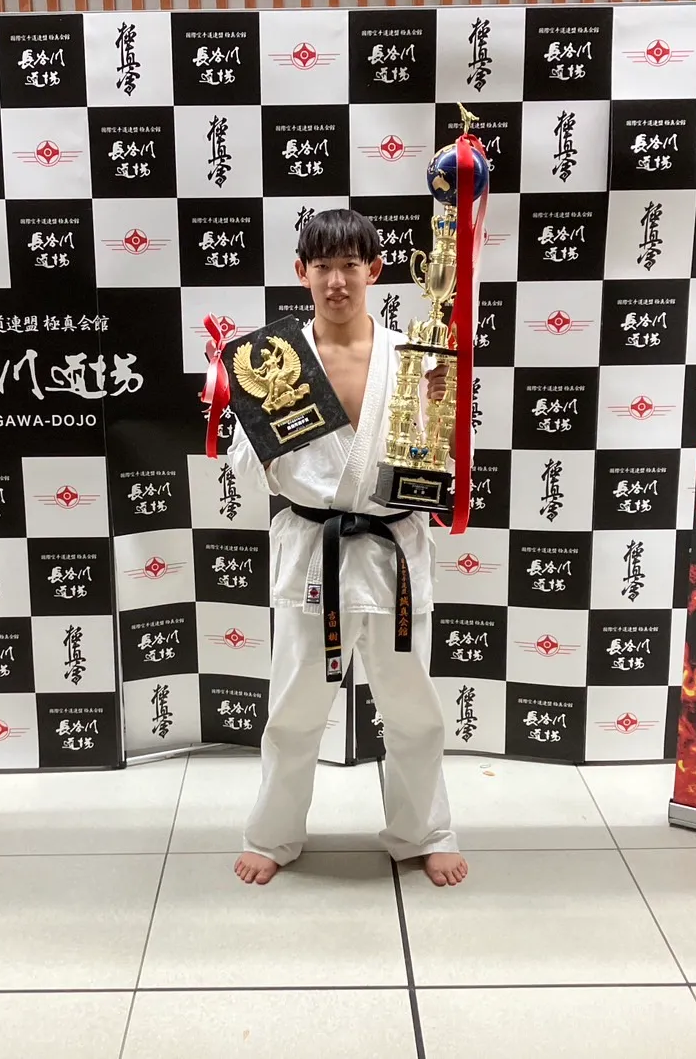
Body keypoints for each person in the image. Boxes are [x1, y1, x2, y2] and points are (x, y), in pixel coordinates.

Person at [227, 208, 467, 888]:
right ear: (301, 272)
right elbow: (248, 468)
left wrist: (439, 414)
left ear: (375, 271)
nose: (336, 281)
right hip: (315, 550)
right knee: (293, 710)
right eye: (323, 266)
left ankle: (425, 831)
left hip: (392, 550)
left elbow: (441, 463)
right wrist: (250, 415)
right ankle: (272, 834)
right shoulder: (272, 363)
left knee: (413, 710)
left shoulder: (414, 357)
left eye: (350, 266)